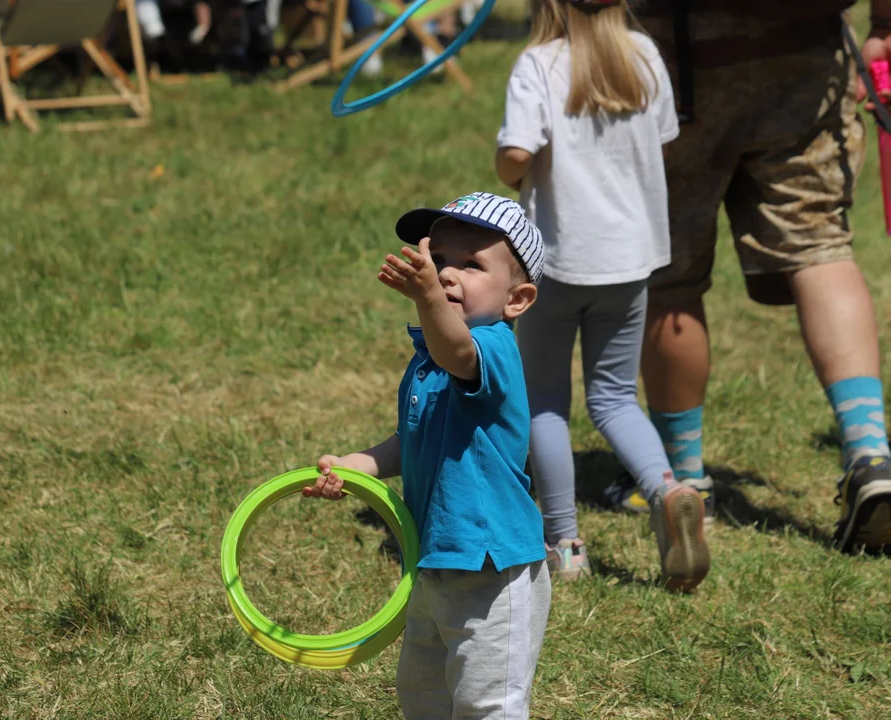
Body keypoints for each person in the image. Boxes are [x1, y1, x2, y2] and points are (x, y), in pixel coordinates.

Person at [603, 0, 891, 554]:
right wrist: (885, 24)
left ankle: (682, 477)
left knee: (668, 272)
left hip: (664, 52)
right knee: (819, 244)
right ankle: (869, 454)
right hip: (802, 49)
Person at [303, 192, 551, 719]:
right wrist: (355, 467)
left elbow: (458, 350)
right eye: (438, 261)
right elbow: (409, 442)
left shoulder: (493, 348)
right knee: (422, 696)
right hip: (432, 559)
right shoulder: (426, 364)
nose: (446, 274)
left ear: (517, 299)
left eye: (470, 264)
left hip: (491, 569)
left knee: (487, 705)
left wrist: (428, 299)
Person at [495, 0, 711, 589]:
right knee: (615, 398)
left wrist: (510, 166)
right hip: (630, 259)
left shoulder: (538, 64)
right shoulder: (645, 56)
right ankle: (667, 489)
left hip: (558, 263)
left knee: (543, 403)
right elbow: (661, 140)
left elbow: (515, 157)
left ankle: (564, 542)